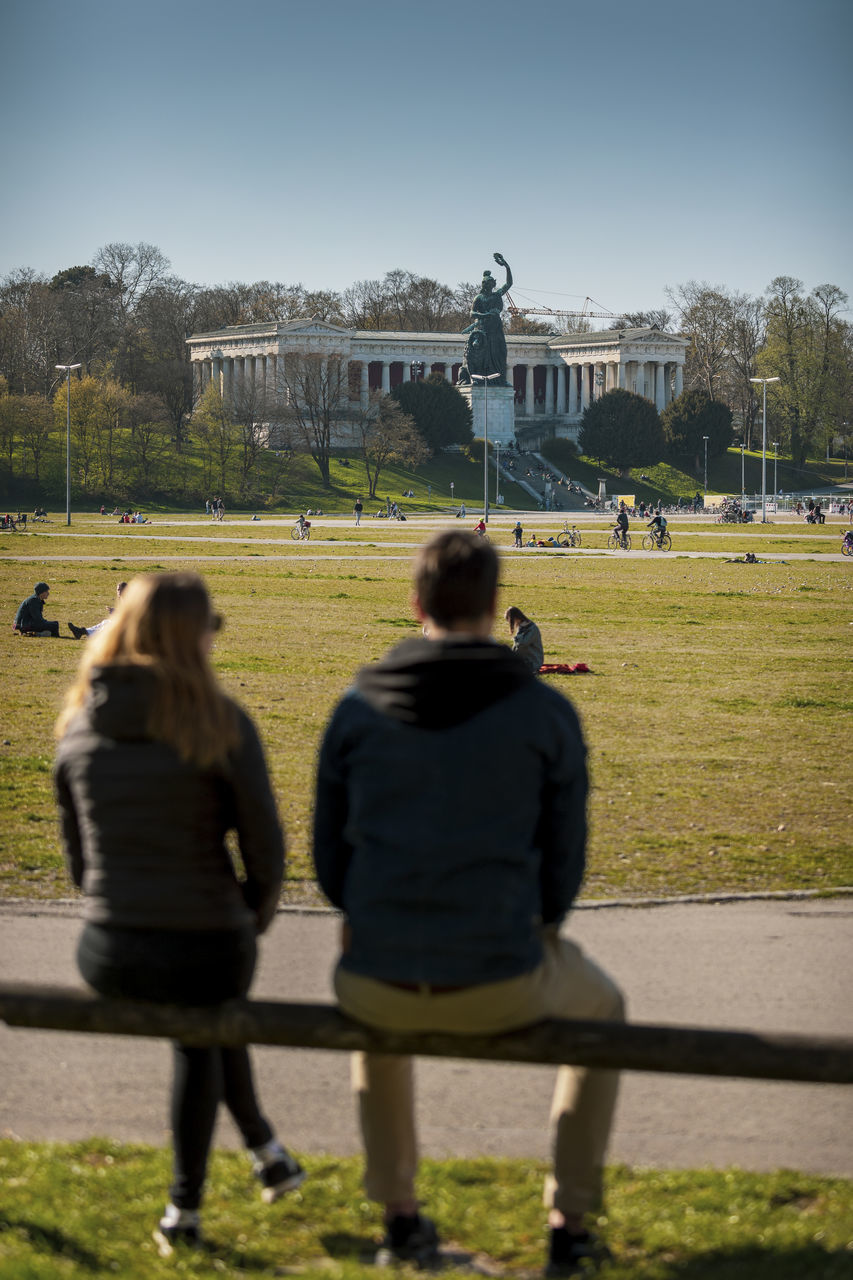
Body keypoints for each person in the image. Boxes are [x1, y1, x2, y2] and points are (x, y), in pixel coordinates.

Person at [313, 531, 624, 1276]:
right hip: (502, 973)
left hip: (380, 973)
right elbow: (564, 865)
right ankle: (567, 1221)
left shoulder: (357, 711)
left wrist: (369, 916)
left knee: (374, 1015)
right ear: (494, 610)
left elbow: (330, 863)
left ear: (414, 605)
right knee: (603, 1009)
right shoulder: (543, 713)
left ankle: (398, 1214)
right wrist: (535, 929)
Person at [54, 572, 304, 1254]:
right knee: (203, 1022)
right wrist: (246, 920)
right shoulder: (219, 723)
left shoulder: (78, 726)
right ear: (194, 638)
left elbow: (81, 868)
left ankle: (267, 1151)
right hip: (205, 939)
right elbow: (267, 853)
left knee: (208, 1011)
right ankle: (183, 1210)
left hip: (108, 947)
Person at [505, 605, 544, 675]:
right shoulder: (522, 626)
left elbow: (522, 645)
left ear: (516, 618)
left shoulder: (532, 629)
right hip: (524, 660)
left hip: (533, 662)